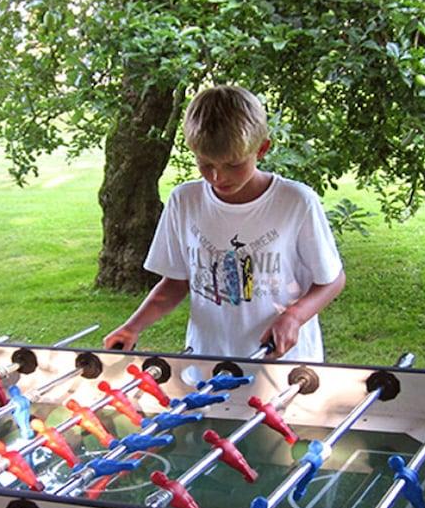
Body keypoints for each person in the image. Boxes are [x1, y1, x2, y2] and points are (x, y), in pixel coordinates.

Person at [104, 85, 345, 361]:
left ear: (261, 149)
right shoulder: (185, 201)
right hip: (208, 359)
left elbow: (332, 280)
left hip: (282, 361)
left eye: (233, 164)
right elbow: (175, 282)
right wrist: (133, 327)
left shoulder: (296, 202)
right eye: (206, 164)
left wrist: (294, 316)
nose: (218, 177)